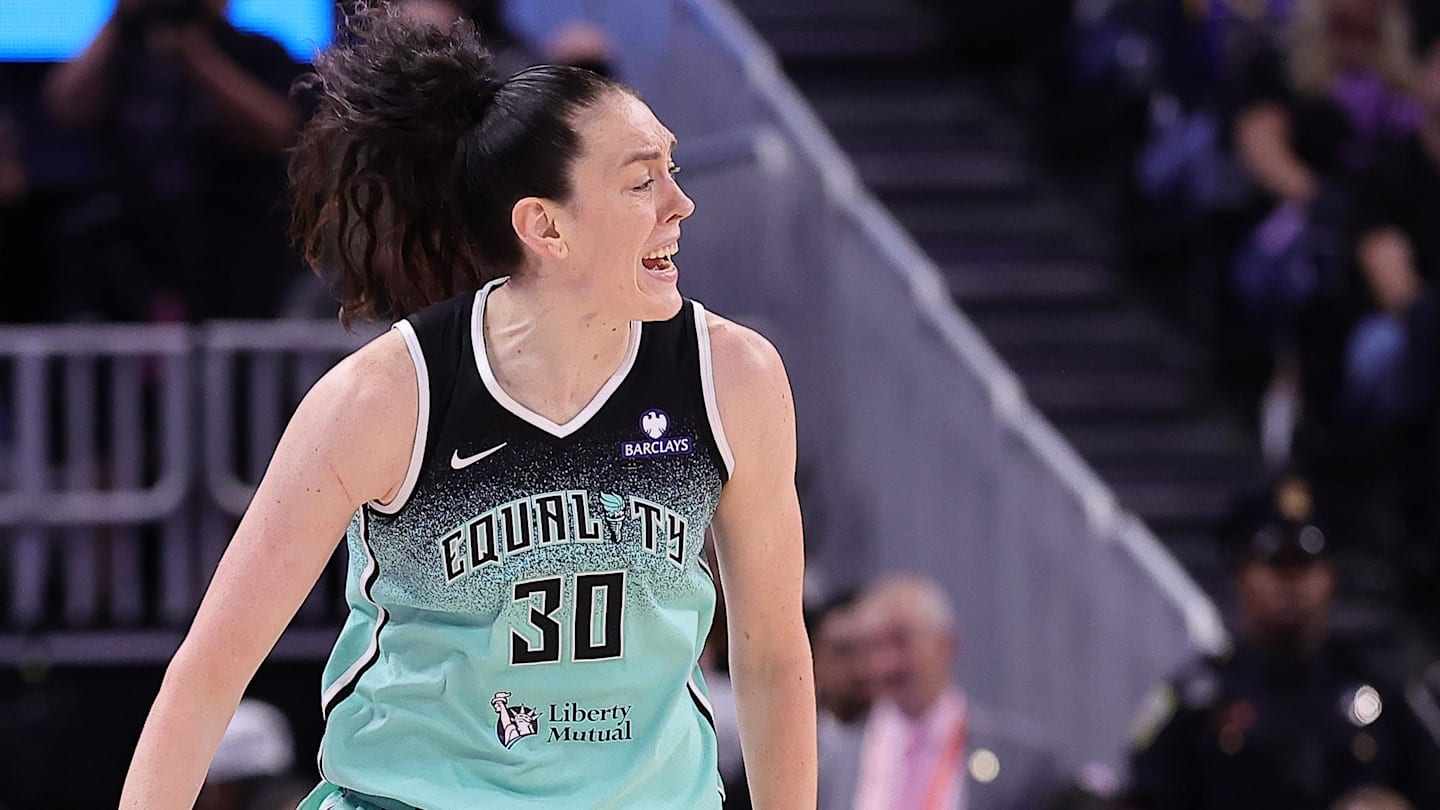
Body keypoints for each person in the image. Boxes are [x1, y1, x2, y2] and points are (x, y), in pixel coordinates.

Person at [118, 5, 815, 809]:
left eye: (673, 169)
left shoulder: (732, 377)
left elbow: (772, 660)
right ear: (544, 226)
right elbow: (209, 672)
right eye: (640, 180)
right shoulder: (385, 398)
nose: (679, 205)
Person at [1125, 491, 1440, 809]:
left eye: (1303, 566)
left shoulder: (1380, 689)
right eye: (1277, 566)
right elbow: (1145, 795)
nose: (1291, 585)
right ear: (1241, 576)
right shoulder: (1200, 697)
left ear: (1329, 577)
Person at [42, 0, 307, 321]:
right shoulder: (120, 53)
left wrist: (194, 53)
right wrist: (120, 17)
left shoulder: (256, 51)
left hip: (235, 256)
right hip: (129, 259)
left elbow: (279, 129)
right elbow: (65, 106)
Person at [846, 576, 1063, 810]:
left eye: (901, 641)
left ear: (946, 644)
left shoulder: (1021, 763)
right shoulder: (830, 761)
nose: (886, 663)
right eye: (872, 646)